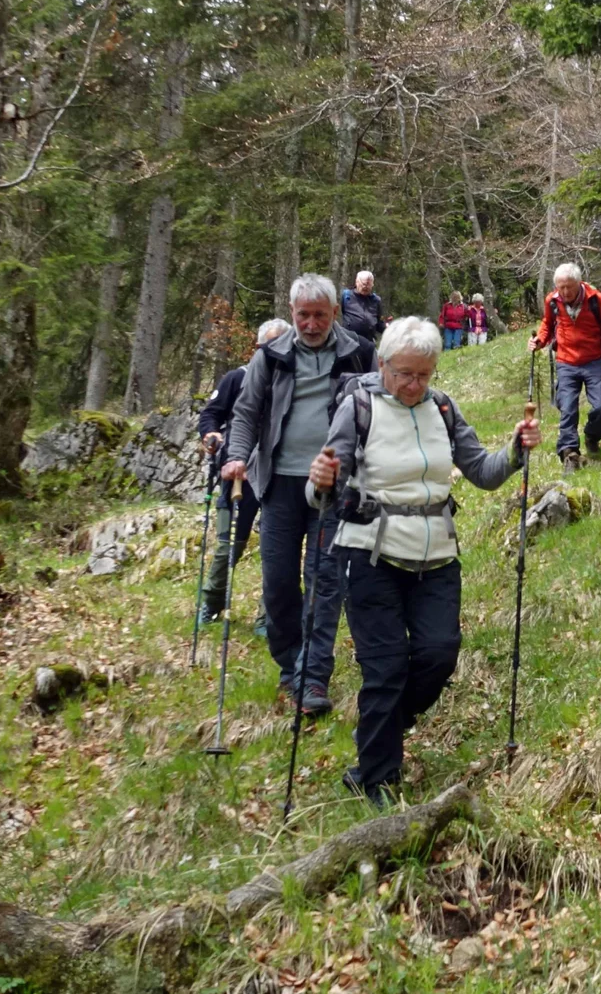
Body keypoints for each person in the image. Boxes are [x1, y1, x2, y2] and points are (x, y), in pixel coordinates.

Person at [308, 317, 540, 805]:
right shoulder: (358, 407)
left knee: (439, 654)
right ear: (383, 365)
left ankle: (386, 729)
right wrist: (321, 481)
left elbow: (481, 470)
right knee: (386, 667)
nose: (414, 385)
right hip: (369, 552)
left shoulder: (442, 408)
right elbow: (323, 487)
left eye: (424, 374)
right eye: (405, 374)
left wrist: (516, 451)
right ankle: (377, 779)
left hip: (436, 555)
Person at [221, 275, 376, 714]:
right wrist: (236, 456)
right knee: (279, 584)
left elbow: (377, 407)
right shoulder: (269, 356)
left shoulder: (359, 353)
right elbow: (246, 412)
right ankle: (290, 664)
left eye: (319, 315)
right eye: (303, 315)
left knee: (326, 583)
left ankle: (313, 678)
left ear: (335, 313)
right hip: (279, 485)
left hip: (333, 485)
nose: (311, 324)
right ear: (292, 313)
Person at [197, 318, 290, 619]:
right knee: (228, 542)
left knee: (277, 551)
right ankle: (211, 603)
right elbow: (211, 414)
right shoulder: (237, 378)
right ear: (258, 348)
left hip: (279, 474)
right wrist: (212, 435)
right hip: (238, 474)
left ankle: (270, 616)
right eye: (270, 346)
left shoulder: (294, 384)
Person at [530, 262, 601, 475]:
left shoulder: (596, 299)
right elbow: (546, 325)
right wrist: (539, 341)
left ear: (579, 283)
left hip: (594, 361)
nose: (565, 292)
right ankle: (569, 454)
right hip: (566, 362)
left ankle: (592, 435)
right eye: (561, 287)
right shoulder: (552, 301)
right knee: (568, 408)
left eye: (569, 286)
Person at [340, 270, 385, 343]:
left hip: (369, 343)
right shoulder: (346, 296)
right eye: (363, 284)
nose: (365, 287)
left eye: (368, 285)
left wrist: (389, 328)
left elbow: (379, 323)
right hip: (348, 342)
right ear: (357, 282)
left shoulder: (376, 300)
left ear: (372, 284)